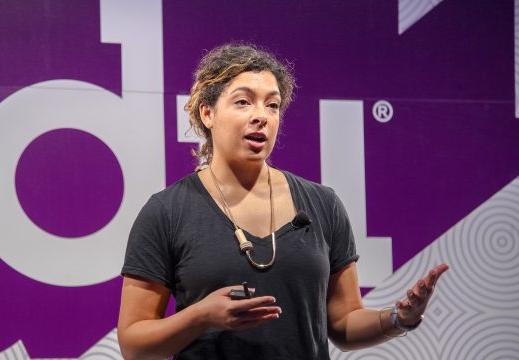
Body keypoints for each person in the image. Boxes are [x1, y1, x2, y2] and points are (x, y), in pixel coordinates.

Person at [117, 43, 449, 360]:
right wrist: (200, 317)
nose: (261, 115)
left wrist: (398, 319)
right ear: (208, 113)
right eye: (243, 102)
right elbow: (134, 345)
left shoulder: (323, 204)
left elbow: (344, 324)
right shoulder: (167, 211)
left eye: (272, 105)